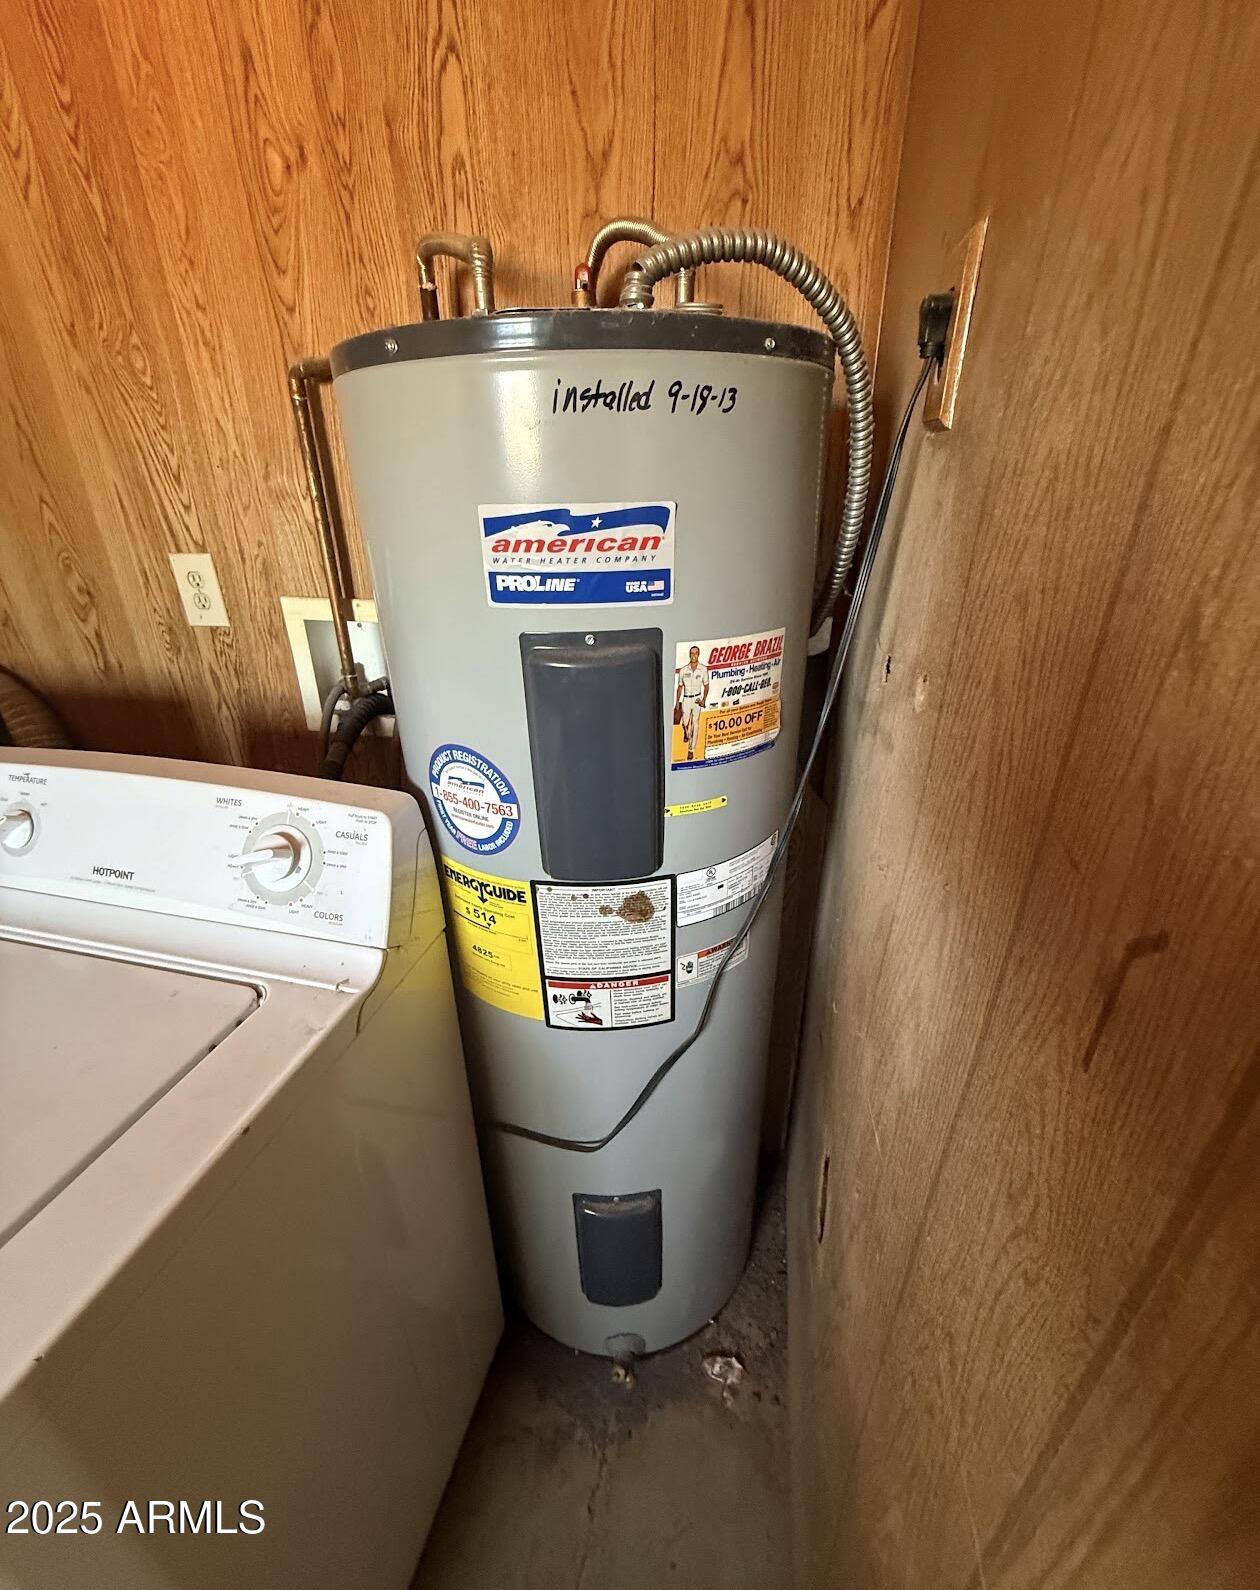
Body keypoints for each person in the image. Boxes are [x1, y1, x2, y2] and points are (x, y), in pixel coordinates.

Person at [675, 644, 710, 761]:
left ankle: (691, 750)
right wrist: (677, 702)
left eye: (696, 653)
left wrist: (704, 699)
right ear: (689, 655)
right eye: (692, 653)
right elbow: (679, 687)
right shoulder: (683, 670)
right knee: (685, 722)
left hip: (697, 699)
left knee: (695, 723)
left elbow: (706, 685)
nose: (693, 655)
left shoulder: (703, 669)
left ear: (698, 654)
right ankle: (685, 730)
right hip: (686, 699)